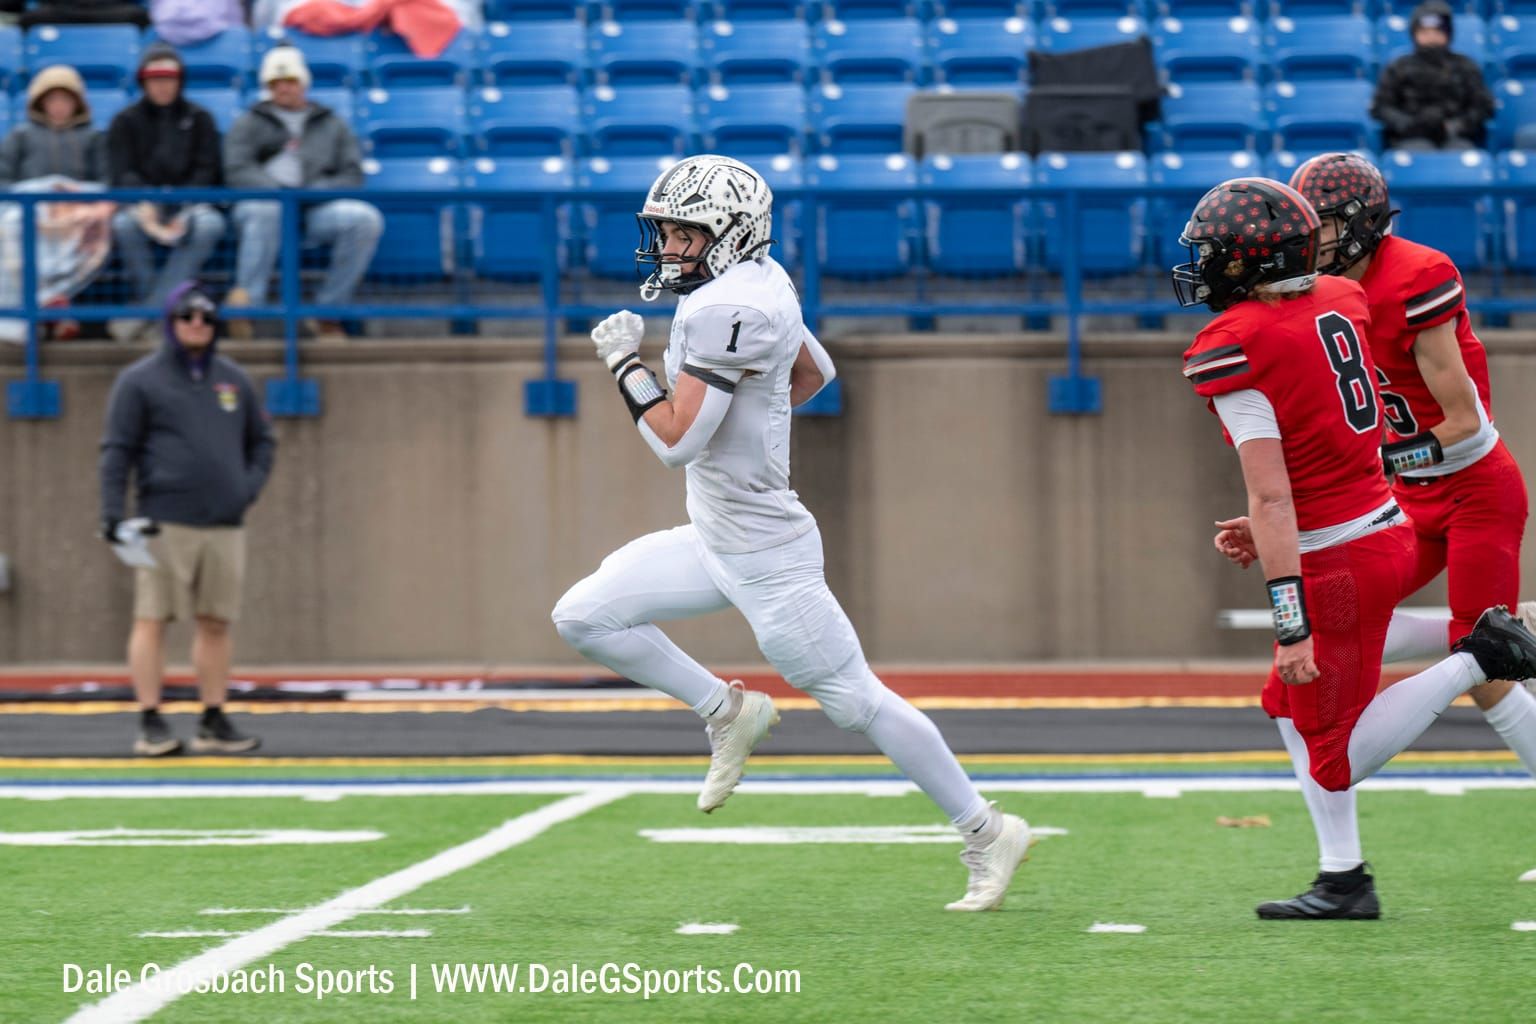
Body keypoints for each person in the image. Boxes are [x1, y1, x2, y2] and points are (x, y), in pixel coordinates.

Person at [551, 154, 1031, 911]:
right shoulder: (756, 282)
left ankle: (986, 829)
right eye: (668, 232)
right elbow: (812, 374)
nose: (669, 247)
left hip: (766, 552)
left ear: (731, 235)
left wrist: (624, 365)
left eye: (685, 233)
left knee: (856, 701)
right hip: (717, 530)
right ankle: (726, 710)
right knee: (584, 614)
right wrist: (751, 420)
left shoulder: (724, 308)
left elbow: (675, 440)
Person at [1174, 176, 1536, 919]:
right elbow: (1336, 442)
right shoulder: (1341, 300)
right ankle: (1343, 876)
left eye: (1216, 253)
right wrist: (1288, 522)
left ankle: (1482, 649)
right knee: (1286, 704)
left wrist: (1289, 618)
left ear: (1251, 260)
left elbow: (1273, 491)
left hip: (1357, 543)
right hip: (1381, 519)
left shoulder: (1237, 342)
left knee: (1336, 756)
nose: (1205, 264)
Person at [99, 282, 276, 757]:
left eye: (206, 317)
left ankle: (213, 718)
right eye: (187, 315)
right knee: (152, 618)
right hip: (165, 519)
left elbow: (263, 440)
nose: (197, 323)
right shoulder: (140, 380)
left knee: (216, 621)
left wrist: (246, 487)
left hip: (224, 521)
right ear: (170, 320)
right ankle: (151, 719)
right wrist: (113, 514)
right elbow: (118, 450)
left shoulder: (233, 379)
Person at [223, 45, 382, 342]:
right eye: (275, 83)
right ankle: (248, 309)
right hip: (264, 205)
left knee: (364, 219)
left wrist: (312, 193)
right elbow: (236, 169)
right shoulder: (249, 122)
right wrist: (278, 193)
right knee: (265, 210)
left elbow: (352, 174)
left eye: (290, 81)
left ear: (304, 83)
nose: (284, 88)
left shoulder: (332, 123)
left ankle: (327, 314)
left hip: (314, 207)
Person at [107, 42, 226, 343]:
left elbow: (208, 170)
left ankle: (151, 314)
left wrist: (184, 206)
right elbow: (122, 172)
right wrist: (145, 202)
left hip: (191, 203)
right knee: (124, 225)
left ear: (180, 81)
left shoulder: (201, 118)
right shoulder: (125, 121)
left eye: (169, 79)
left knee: (210, 224)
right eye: (155, 79)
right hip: (143, 204)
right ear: (144, 82)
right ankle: (165, 313)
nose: (162, 86)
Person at [0, 64, 112, 342]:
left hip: (79, 211)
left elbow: (105, 180)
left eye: (66, 99)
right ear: (41, 103)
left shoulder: (94, 137)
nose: (59, 106)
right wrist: (41, 193)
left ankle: (56, 306)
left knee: (94, 230)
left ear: (77, 103)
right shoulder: (20, 136)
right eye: (52, 100)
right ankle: (38, 313)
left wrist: (73, 195)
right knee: (13, 229)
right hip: (30, 211)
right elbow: (3, 180)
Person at [1371, 0, 1493, 152]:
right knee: (1418, 152)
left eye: (1437, 31)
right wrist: (1409, 124)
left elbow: (1483, 106)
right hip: (1410, 137)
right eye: (1425, 32)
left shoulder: (1465, 66)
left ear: (1448, 34)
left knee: (1459, 155)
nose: (1431, 37)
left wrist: (1456, 125)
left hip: (1456, 138)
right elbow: (1381, 107)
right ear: (1414, 34)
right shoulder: (1398, 66)